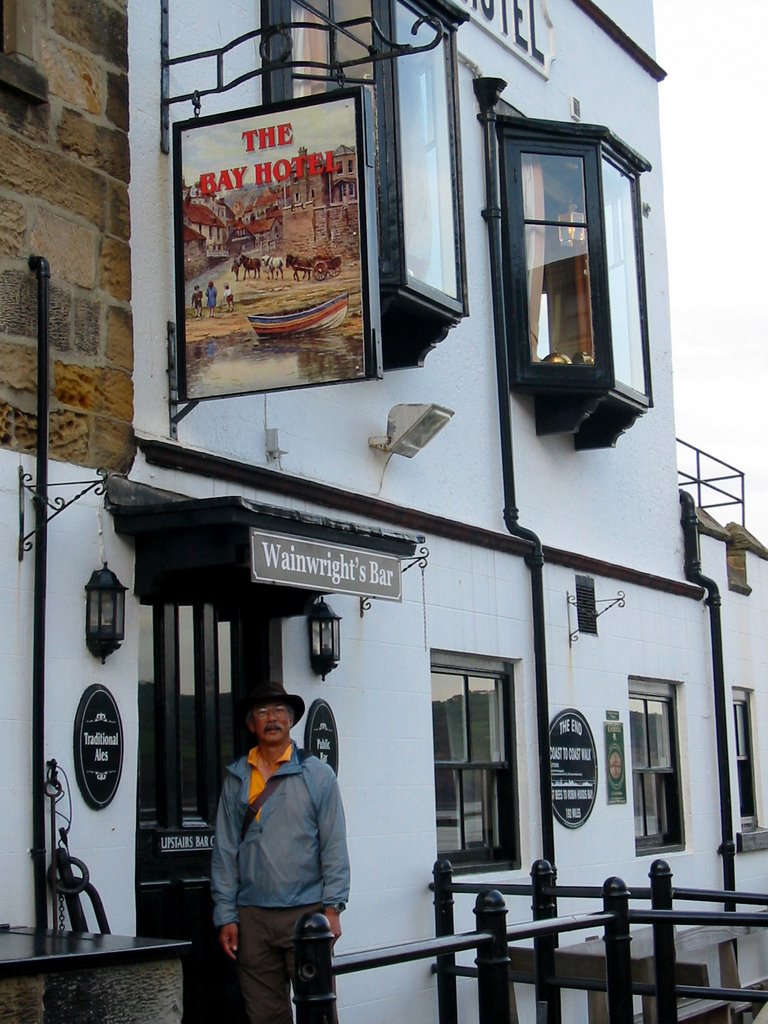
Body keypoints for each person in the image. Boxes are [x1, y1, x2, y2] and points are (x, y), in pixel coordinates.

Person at [211, 682, 350, 1024]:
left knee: (317, 1010)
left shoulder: (318, 775)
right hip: (252, 918)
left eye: (278, 712)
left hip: (307, 914)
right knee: (264, 1015)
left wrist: (333, 908)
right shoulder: (236, 778)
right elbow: (225, 850)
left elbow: (334, 845)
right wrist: (226, 915)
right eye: (262, 712)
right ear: (250, 724)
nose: (271, 719)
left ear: (290, 721)